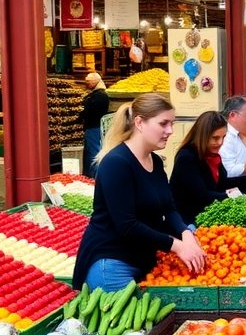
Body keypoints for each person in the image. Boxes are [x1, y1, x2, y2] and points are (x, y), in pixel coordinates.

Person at [72, 94, 206, 291]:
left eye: (172, 123)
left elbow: (169, 209)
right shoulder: (116, 163)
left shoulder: (156, 161)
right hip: (112, 264)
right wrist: (177, 246)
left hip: (142, 260)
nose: (170, 131)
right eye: (163, 124)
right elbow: (127, 225)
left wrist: (186, 233)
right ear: (140, 122)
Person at [169, 111, 246, 226]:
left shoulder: (213, 156)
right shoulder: (187, 157)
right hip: (190, 221)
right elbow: (202, 196)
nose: (220, 143)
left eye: (223, 137)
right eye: (215, 138)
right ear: (202, 135)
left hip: (208, 214)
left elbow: (220, 184)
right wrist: (232, 196)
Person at [79, 72, 109, 179]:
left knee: (93, 153)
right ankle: (90, 176)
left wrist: (81, 114)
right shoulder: (96, 95)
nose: (87, 83)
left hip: (94, 127)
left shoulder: (100, 96)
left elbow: (91, 111)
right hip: (92, 127)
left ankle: (94, 177)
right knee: (91, 152)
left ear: (95, 82)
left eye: (89, 81)